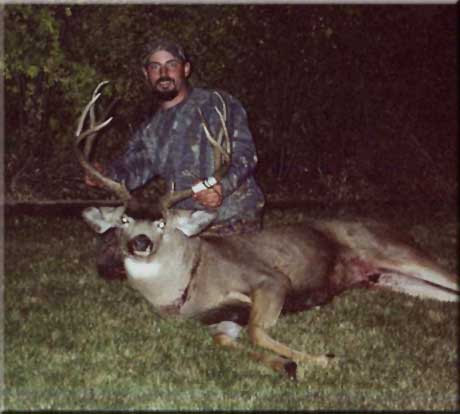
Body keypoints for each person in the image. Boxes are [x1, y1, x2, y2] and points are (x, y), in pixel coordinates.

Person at [86, 39, 265, 280]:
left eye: (171, 65)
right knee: (110, 255)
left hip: (229, 217)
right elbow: (133, 167)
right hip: (181, 222)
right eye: (155, 67)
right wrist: (106, 174)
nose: (163, 73)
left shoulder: (218, 104)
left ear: (186, 69)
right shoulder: (152, 130)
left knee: (212, 273)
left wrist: (223, 186)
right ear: (146, 74)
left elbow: (245, 154)